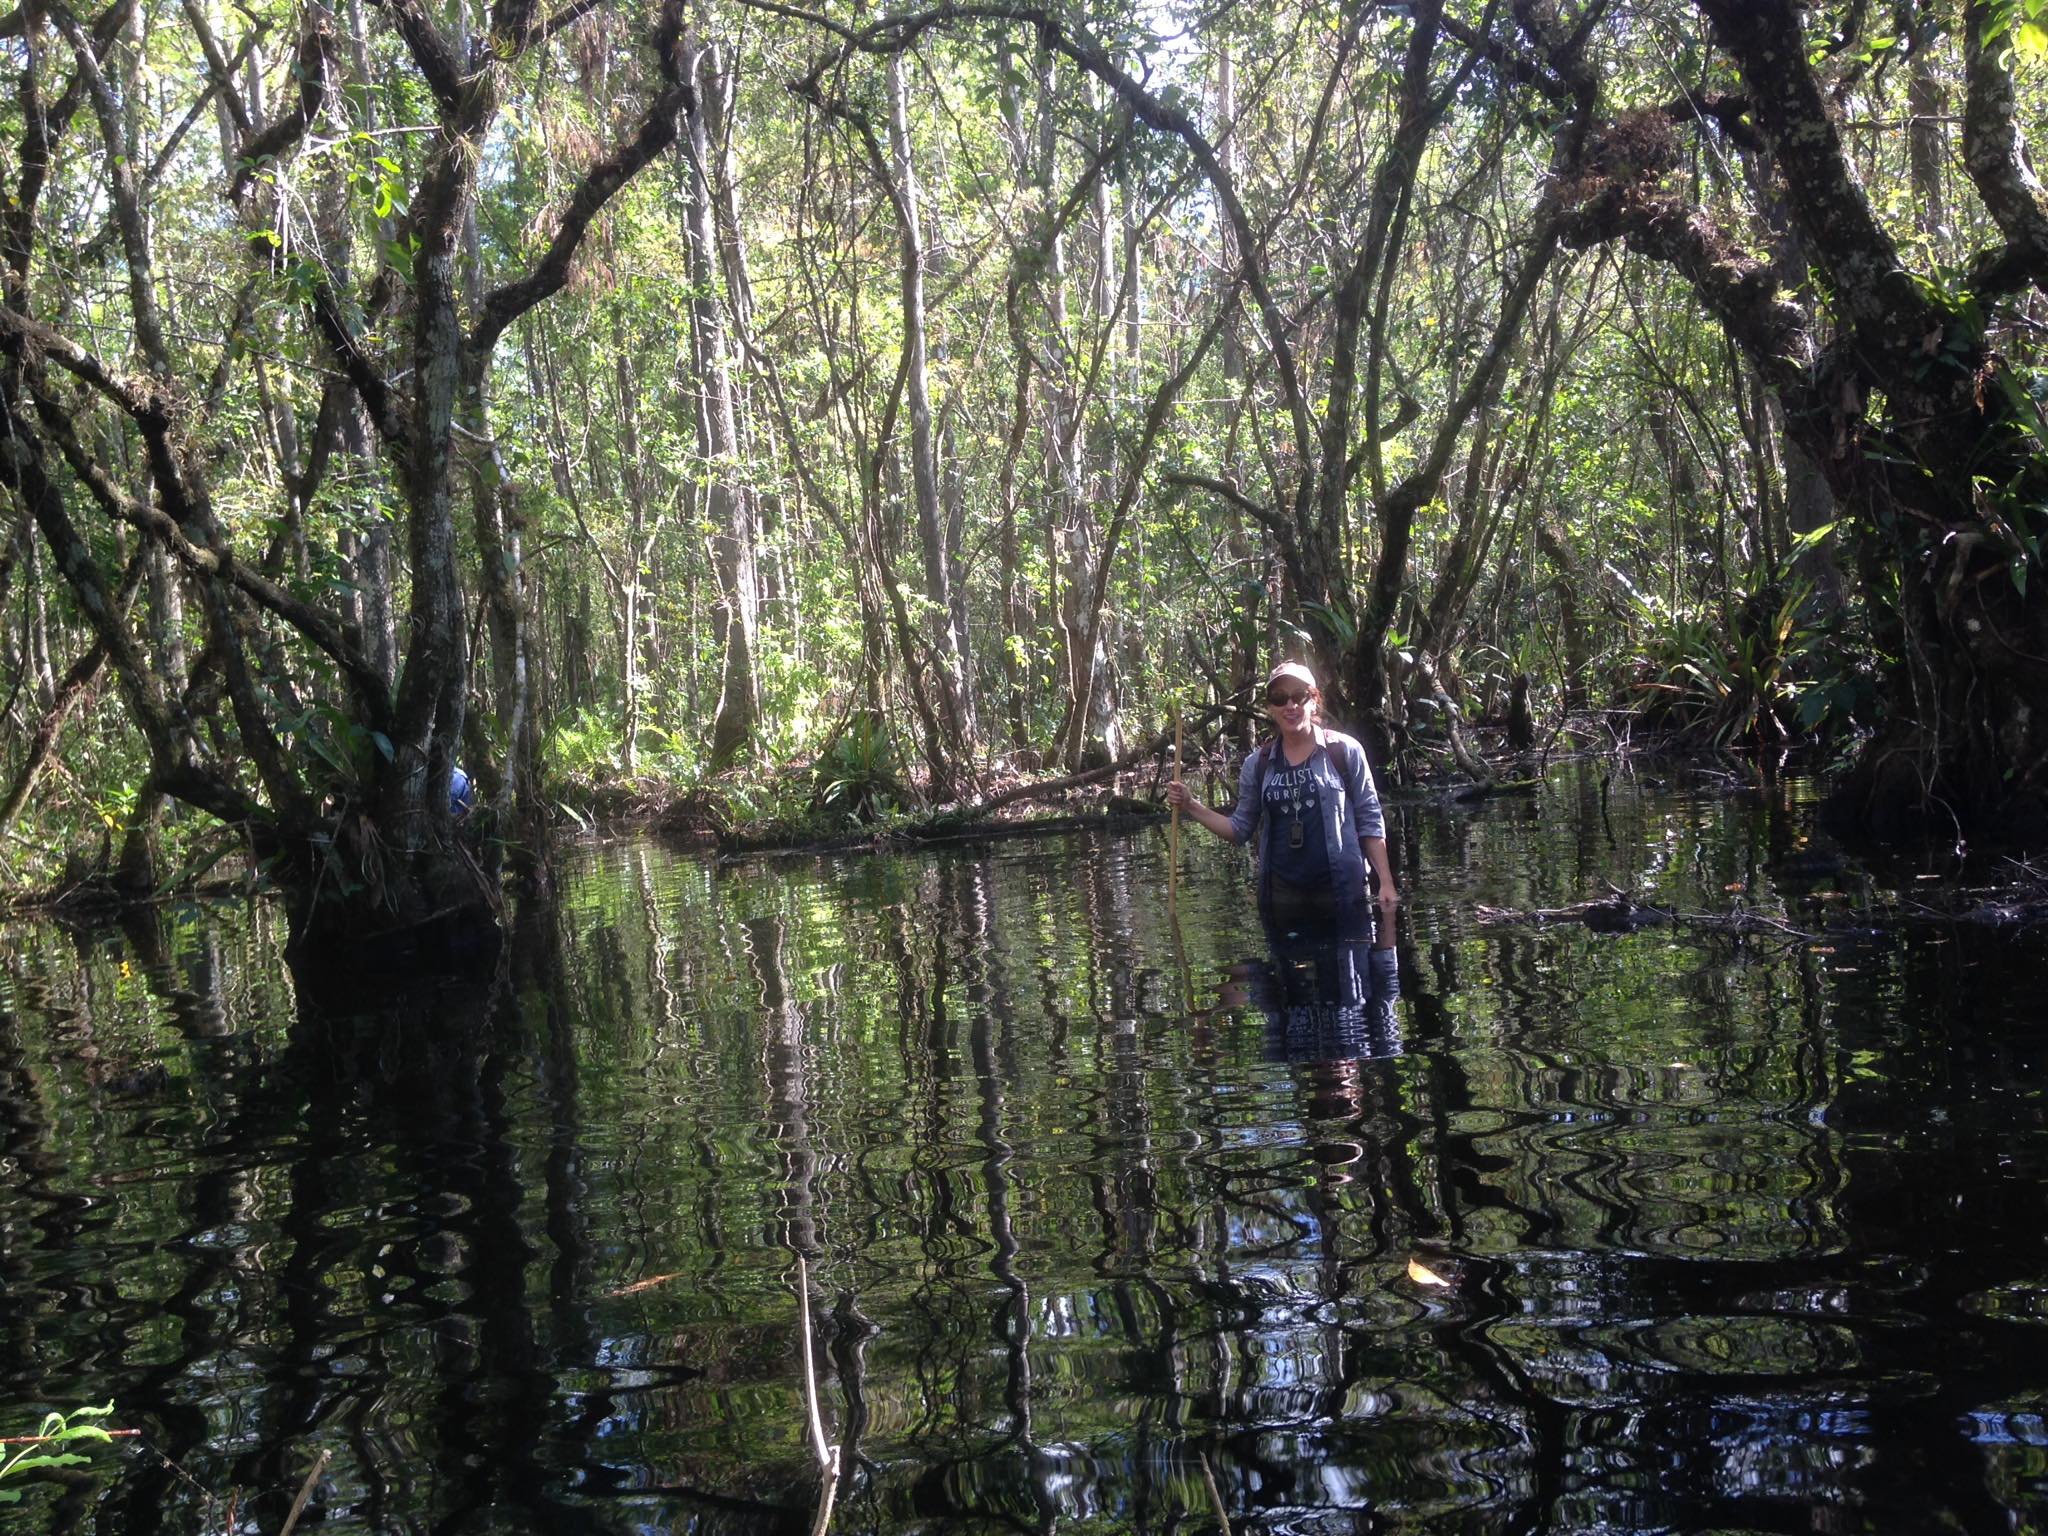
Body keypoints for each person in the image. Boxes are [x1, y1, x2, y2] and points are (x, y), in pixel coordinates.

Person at [1165, 661, 1398, 921]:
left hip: (1344, 894)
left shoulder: (1344, 751)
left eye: (1299, 696)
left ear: (1314, 700)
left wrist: (1386, 883)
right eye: (1279, 698)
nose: (1290, 706)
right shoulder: (1257, 765)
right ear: (1270, 708)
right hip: (1282, 901)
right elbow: (1240, 829)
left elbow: (1370, 819)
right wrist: (1190, 804)